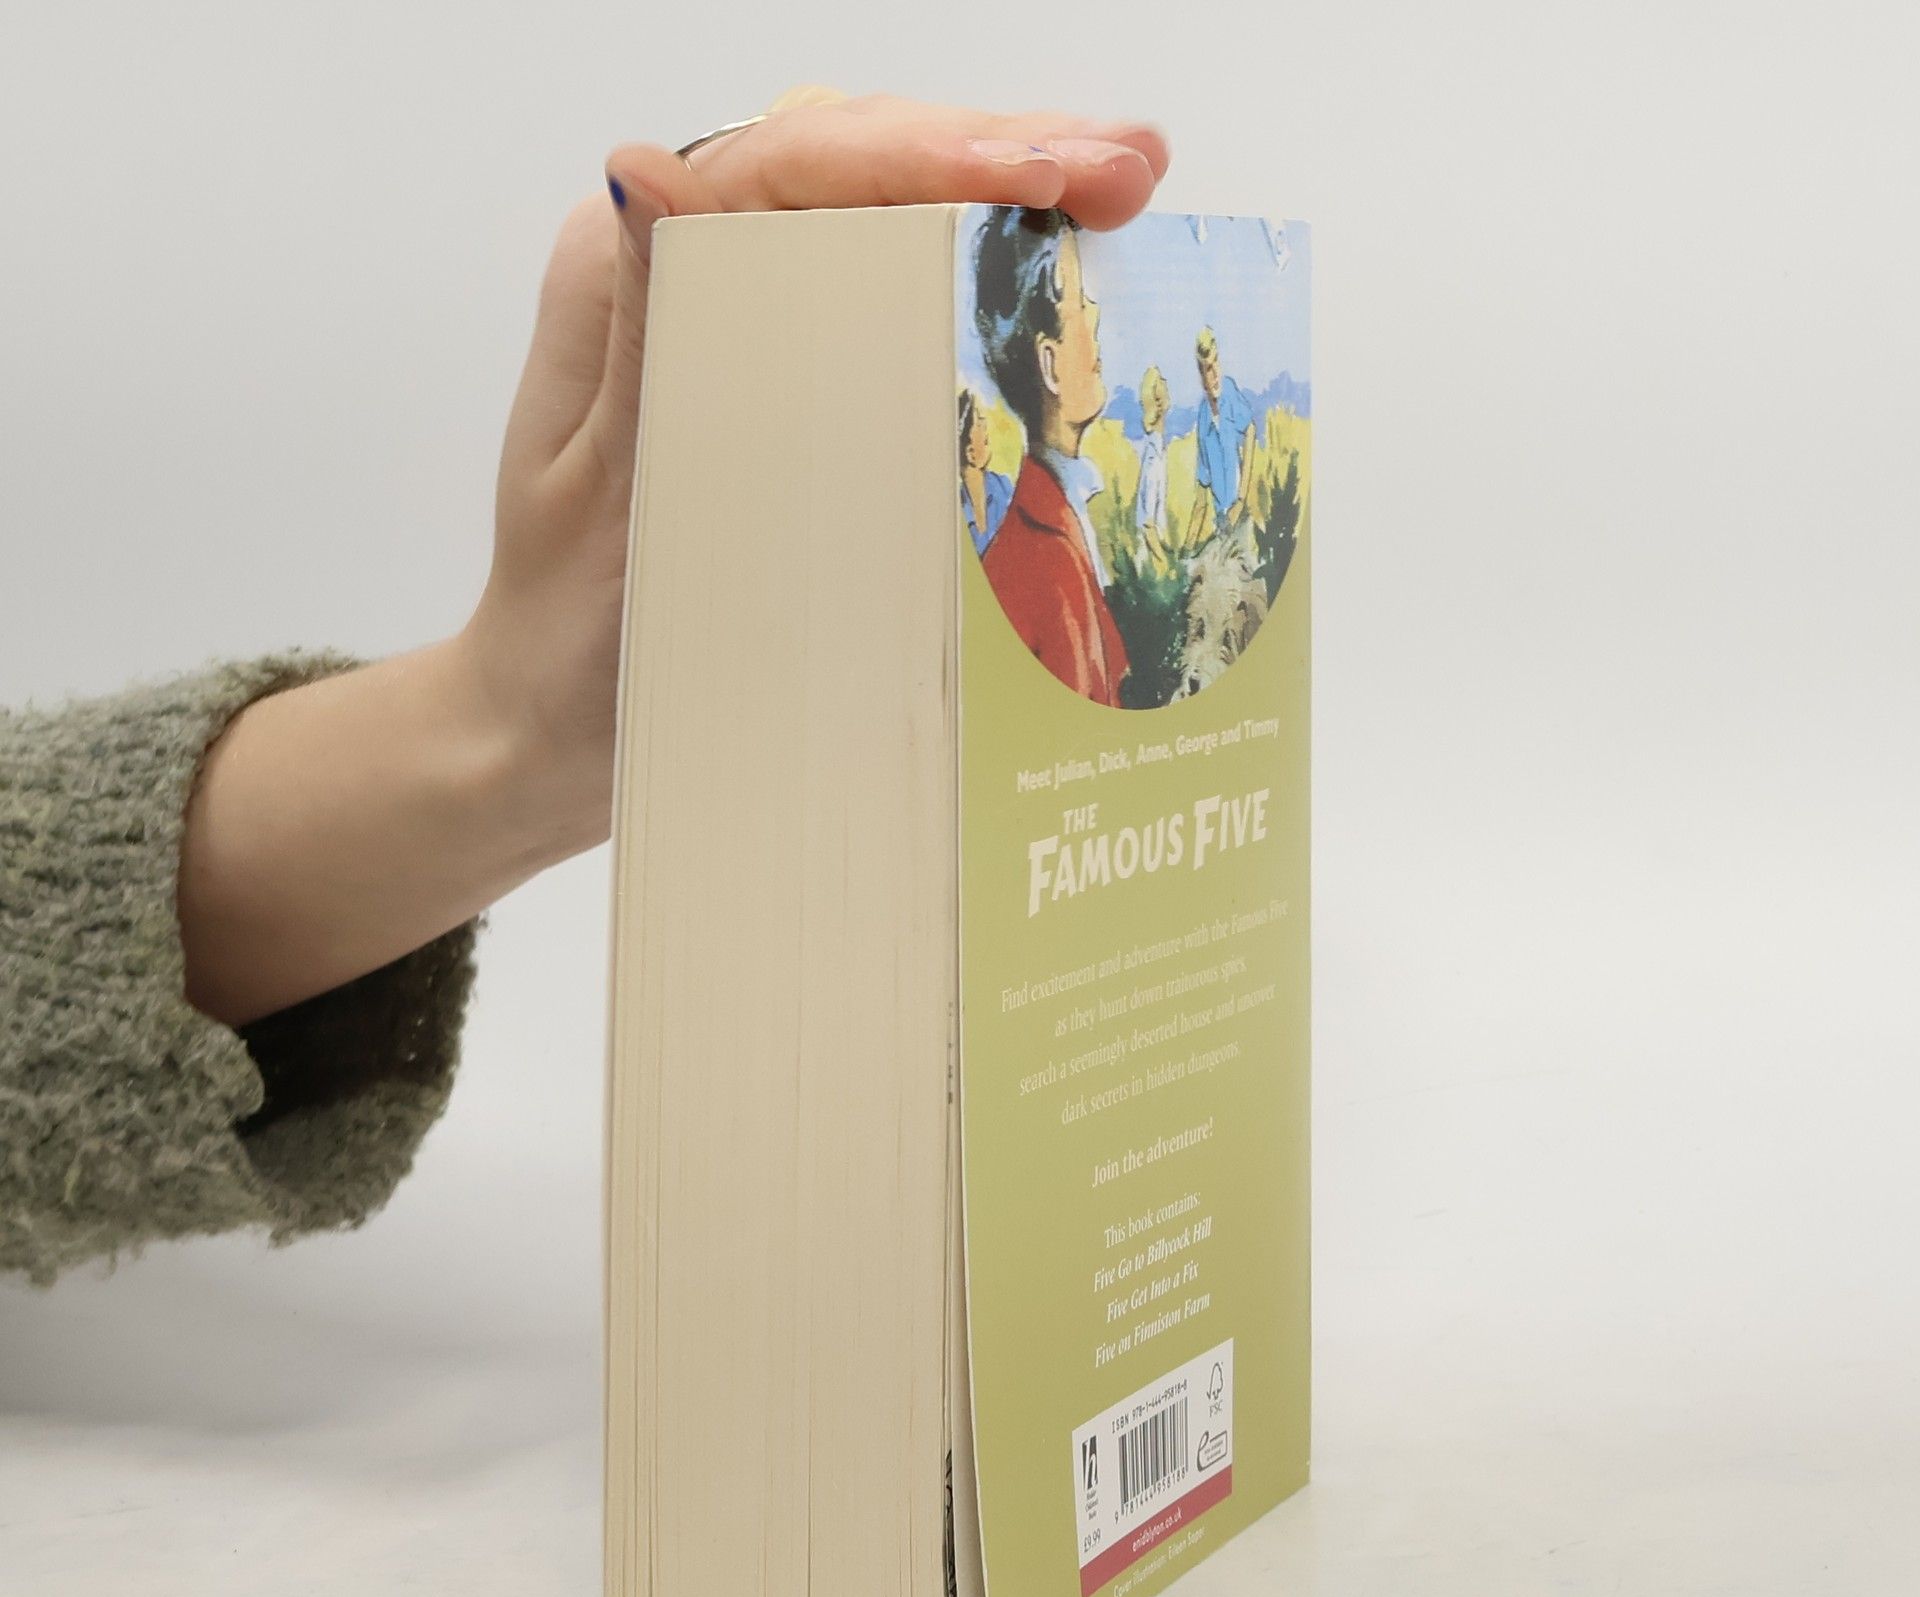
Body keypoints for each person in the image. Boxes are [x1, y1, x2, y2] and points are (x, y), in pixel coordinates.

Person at [0, 91, 1168, 1287]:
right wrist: (510, 735)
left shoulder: (1060, 539)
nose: (1101, 336)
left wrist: (513, 732)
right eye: (1081, 316)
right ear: (1039, 358)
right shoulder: (1038, 552)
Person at [971, 207, 1131, 706]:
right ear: (1050, 363)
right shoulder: (1046, 560)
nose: (1095, 313)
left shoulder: (1056, 519)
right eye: (1080, 301)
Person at [1183, 325, 1260, 549]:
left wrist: (1241, 500)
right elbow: (1202, 490)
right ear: (1201, 377)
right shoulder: (1203, 417)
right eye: (1208, 368)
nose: (1215, 373)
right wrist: (1186, 550)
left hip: (1241, 518)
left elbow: (1250, 429)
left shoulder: (1229, 391)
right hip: (1221, 524)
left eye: (1216, 361)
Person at [958, 389, 1014, 554]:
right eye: (978, 422)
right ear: (971, 453)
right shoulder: (959, 512)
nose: (985, 425)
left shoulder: (1004, 488)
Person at [1133, 364, 1172, 570]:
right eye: (1162, 381)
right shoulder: (1153, 458)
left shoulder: (1159, 452)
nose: (1166, 382)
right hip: (1150, 565)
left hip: (1155, 556)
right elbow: (1149, 526)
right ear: (1158, 402)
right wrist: (1167, 565)